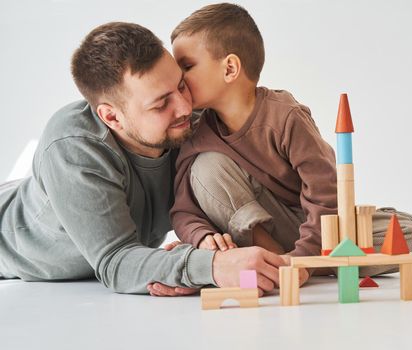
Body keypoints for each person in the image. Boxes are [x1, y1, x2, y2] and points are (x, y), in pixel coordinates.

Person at [0, 21, 285, 296]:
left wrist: (188, 259)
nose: (186, 107)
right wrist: (207, 266)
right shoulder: (72, 147)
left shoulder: (191, 121)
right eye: (161, 104)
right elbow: (116, 263)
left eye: (182, 85)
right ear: (112, 117)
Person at [169, 2, 412, 284]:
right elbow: (184, 210)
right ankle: (280, 260)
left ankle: (301, 262)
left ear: (230, 68)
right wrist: (202, 237)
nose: (179, 79)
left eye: (187, 66)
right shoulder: (198, 131)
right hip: (262, 226)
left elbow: (325, 191)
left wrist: (305, 254)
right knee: (206, 167)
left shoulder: (284, 116)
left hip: (321, 224)